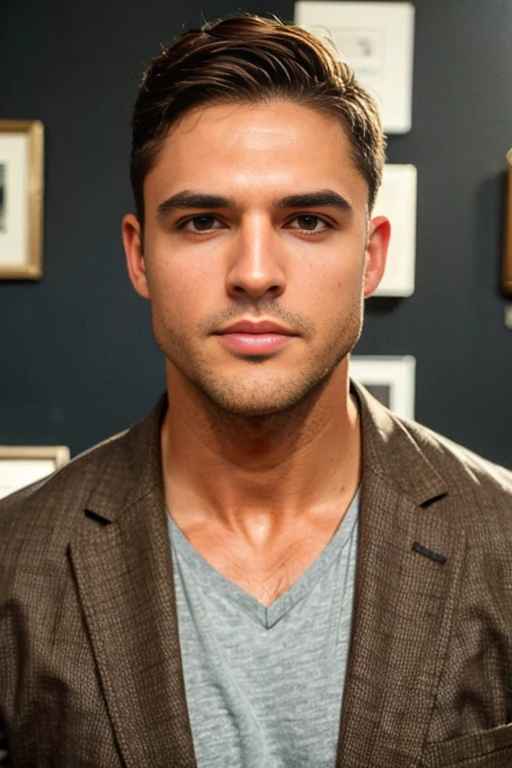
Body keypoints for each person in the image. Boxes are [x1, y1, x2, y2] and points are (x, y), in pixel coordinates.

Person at [1, 14, 512, 768]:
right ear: (141, 257)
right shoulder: (13, 564)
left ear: (370, 258)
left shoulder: (502, 543)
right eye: (203, 221)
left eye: (307, 220)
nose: (254, 271)